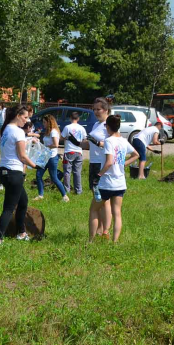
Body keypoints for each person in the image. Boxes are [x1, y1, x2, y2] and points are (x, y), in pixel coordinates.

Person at [0, 105, 39, 245]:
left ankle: (21, 232)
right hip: (14, 173)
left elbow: (13, 146)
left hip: (4, 171)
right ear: (18, 116)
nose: (27, 120)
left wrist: (29, 141)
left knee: (23, 202)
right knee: (9, 207)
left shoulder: (7, 128)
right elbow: (22, 156)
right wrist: (36, 166)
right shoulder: (18, 131)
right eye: (25, 117)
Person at [97, 114, 139, 243]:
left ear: (108, 127)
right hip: (120, 182)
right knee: (117, 213)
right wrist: (124, 164)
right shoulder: (123, 140)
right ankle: (115, 242)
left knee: (101, 208)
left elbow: (109, 161)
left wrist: (99, 174)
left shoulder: (109, 141)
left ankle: (104, 231)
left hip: (107, 181)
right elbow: (136, 154)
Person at [87, 97, 112, 240]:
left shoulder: (108, 125)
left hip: (102, 164)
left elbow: (110, 143)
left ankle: (105, 231)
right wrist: (76, 142)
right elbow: (89, 144)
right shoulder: (97, 124)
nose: (96, 112)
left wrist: (96, 142)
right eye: (94, 109)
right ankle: (101, 228)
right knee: (97, 198)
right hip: (93, 162)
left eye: (99, 109)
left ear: (106, 110)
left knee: (104, 199)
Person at [34, 114, 69, 202]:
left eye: (45, 122)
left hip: (52, 157)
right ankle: (40, 195)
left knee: (54, 178)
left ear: (49, 122)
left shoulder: (54, 132)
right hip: (44, 156)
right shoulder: (47, 131)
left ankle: (65, 196)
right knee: (38, 175)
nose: (43, 124)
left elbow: (55, 145)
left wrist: (45, 147)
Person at [61, 111, 87, 195]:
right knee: (77, 172)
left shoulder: (67, 127)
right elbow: (84, 139)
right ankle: (78, 190)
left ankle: (66, 190)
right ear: (78, 119)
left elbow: (62, 137)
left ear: (70, 118)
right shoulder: (82, 128)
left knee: (67, 171)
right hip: (79, 152)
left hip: (69, 151)